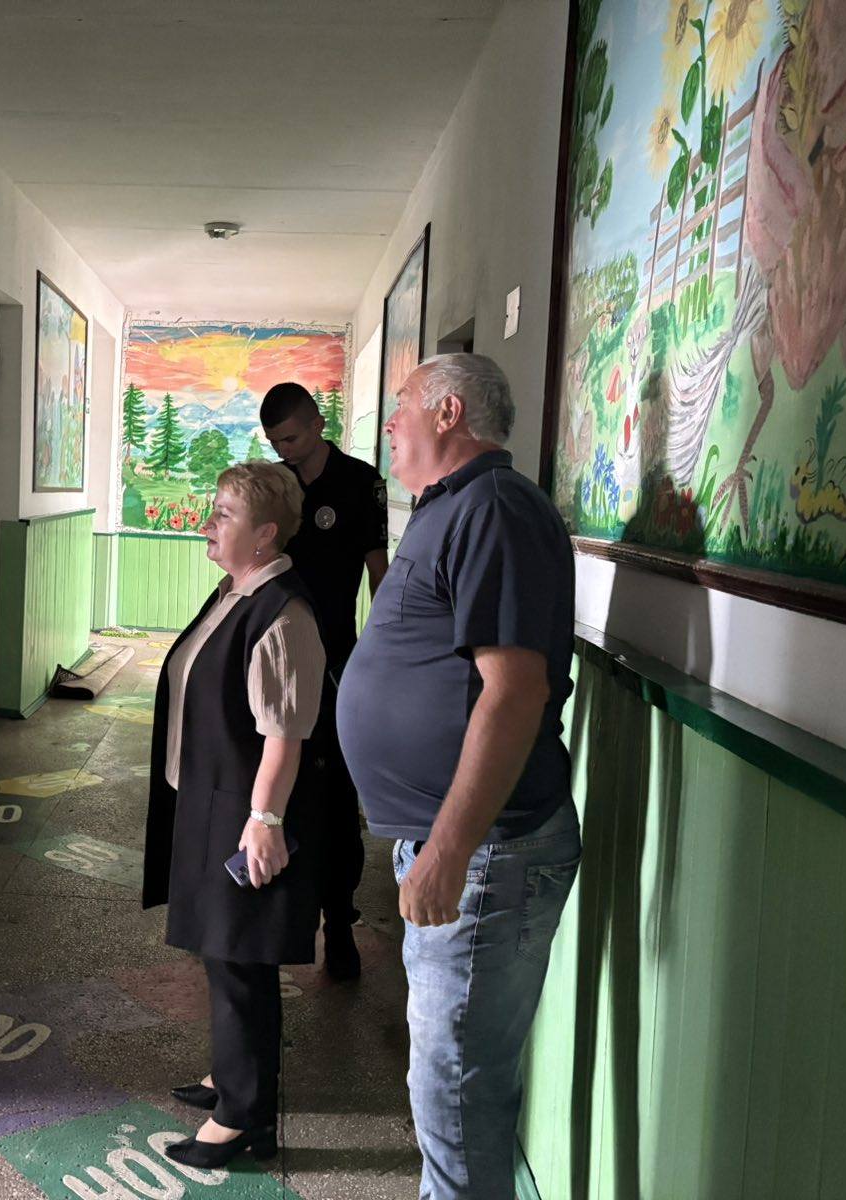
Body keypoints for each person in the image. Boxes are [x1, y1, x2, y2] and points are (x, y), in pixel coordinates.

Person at [337, 354, 581, 1200]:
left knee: (455, 1093)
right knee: (443, 1084)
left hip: (487, 852)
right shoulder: (449, 507)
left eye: (402, 404)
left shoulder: (497, 507)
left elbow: (514, 692)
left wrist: (447, 849)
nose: (389, 423)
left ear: (448, 413)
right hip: (463, 847)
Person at [142, 461, 327, 1169]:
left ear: (266, 533)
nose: (207, 523)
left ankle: (244, 1118)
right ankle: (232, 1074)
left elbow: (285, 734)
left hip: (244, 811)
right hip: (210, 800)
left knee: (240, 955)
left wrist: (265, 822)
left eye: (224, 514)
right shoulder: (236, 592)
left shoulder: (282, 615)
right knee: (222, 951)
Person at [261, 381, 388, 979]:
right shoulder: (275, 484)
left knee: (337, 796)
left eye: (290, 438)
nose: (283, 451)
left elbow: (378, 573)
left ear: (316, 424)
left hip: (337, 659)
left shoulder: (360, 483)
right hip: (276, 654)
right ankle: (278, 912)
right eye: (274, 443)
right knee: (274, 786)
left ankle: (338, 922)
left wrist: (383, 656)